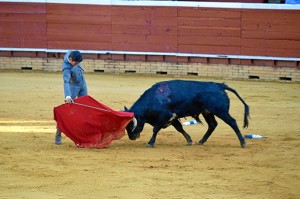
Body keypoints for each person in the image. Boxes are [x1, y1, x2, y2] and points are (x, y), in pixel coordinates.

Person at [55, 50, 88, 145]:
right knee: (66, 110)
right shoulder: (66, 68)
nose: (77, 64)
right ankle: (58, 134)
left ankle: (84, 134)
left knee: (85, 108)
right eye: (76, 63)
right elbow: (66, 82)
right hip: (73, 86)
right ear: (70, 60)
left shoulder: (72, 54)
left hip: (82, 84)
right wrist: (68, 95)